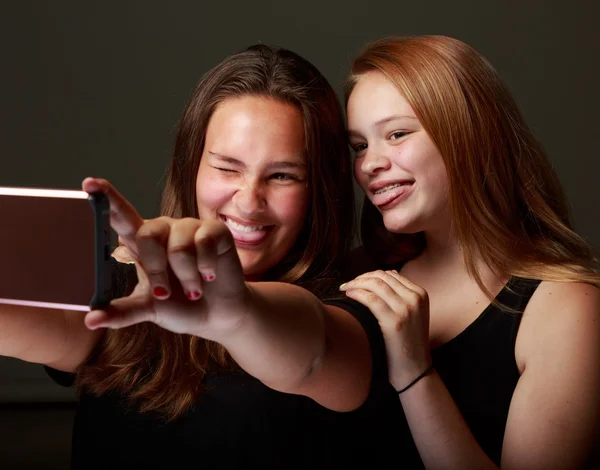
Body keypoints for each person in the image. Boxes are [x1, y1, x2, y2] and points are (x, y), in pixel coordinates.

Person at [1, 45, 410, 469]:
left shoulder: (353, 313)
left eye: (283, 175)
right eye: (227, 168)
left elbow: (315, 354)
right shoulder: (125, 285)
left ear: (319, 190)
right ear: (191, 166)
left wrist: (236, 313)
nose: (249, 202)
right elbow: (33, 322)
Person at [341, 35, 600, 468]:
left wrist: (414, 374)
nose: (370, 164)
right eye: (360, 146)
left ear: (468, 132)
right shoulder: (356, 273)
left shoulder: (569, 309)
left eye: (397, 134)